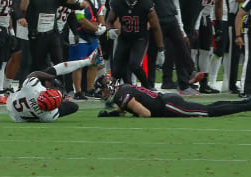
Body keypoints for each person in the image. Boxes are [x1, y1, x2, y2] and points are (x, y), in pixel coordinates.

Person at [146, 0, 204, 95]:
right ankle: (149, 84)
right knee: (152, 52)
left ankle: (190, 74)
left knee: (182, 46)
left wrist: (181, 29)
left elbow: (176, 6)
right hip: (156, 22)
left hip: (171, 19)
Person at [7, 48, 100, 122]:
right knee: (52, 75)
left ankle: (87, 62)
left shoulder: (33, 89)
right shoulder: (49, 116)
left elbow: (34, 74)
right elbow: (73, 107)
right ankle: (87, 62)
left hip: (13, 104)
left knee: (50, 73)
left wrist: (51, 77)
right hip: (17, 113)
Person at [95, 74, 251, 118]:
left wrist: (134, 115)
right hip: (167, 100)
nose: (102, 94)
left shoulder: (121, 95)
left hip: (169, 106)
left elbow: (145, 113)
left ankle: (247, 106)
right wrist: (111, 115)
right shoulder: (122, 90)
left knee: (207, 112)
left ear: (109, 87)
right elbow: (124, 109)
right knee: (207, 108)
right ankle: (245, 102)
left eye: (102, 91)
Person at [107, 0, 165, 89]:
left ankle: (148, 87)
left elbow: (156, 27)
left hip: (140, 38)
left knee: (134, 65)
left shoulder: (146, 4)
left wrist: (161, 48)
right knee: (116, 70)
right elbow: (109, 20)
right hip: (124, 38)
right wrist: (109, 30)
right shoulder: (117, 3)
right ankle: (126, 89)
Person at [70, 0, 104, 99]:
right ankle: (78, 91)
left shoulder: (98, 1)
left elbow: (101, 18)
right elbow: (81, 20)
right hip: (79, 35)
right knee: (78, 65)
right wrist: (97, 28)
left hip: (92, 37)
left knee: (94, 63)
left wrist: (102, 27)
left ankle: (90, 88)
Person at [178, 0, 213, 94]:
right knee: (181, 53)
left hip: (191, 25)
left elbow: (200, 10)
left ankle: (186, 82)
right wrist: (181, 30)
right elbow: (176, 11)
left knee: (184, 53)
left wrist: (196, 27)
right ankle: (182, 83)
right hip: (178, 24)